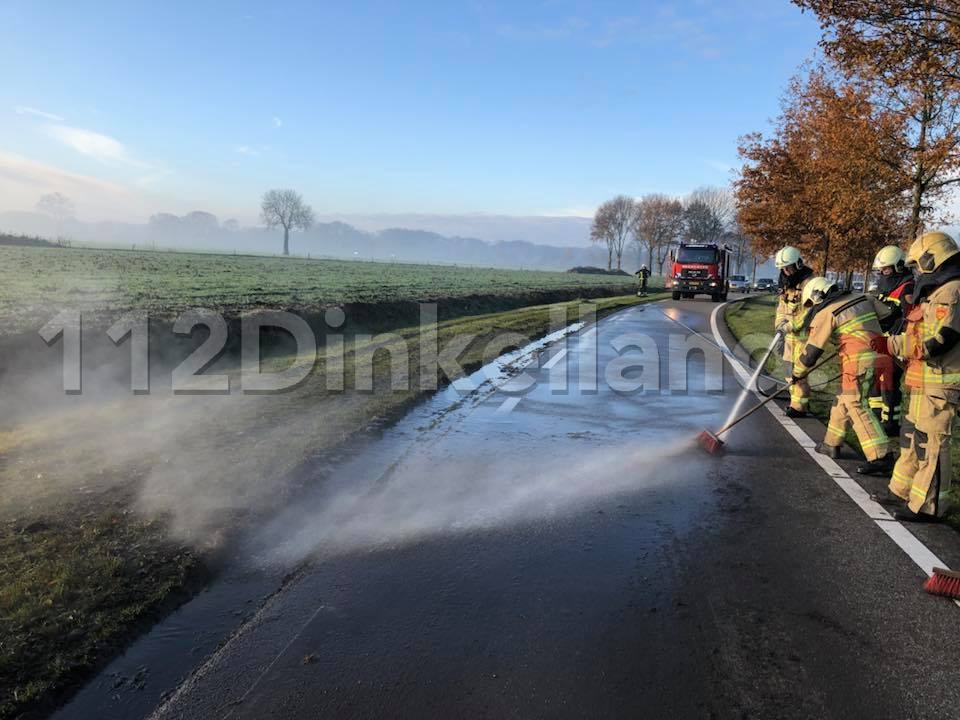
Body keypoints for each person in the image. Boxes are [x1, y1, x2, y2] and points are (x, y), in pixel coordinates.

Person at [871, 231, 960, 522]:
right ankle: (903, 490)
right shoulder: (937, 291)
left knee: (933, 443)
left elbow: (939, 341)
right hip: (923, 379)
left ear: (933, 257)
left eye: (919, 262)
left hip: (942, 380)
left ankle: (929, 505)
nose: (917, 270)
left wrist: (892, 344)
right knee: (912, 437)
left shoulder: (952, 291)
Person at [792, 276, 894, 474]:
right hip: (880, 355)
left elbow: (812, 352)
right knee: (843, 398)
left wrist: (798, 373)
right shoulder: (862, 297)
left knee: (856, 404)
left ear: (817, 296)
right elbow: (889, 316)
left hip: (858, 362)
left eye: (812, 303)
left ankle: (881, 455)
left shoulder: (828, 312)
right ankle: (832, 443)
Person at [866, 245, 915, 439]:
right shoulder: (884, 286)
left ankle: (891, 423)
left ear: (899, 267)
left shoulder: (907, 287)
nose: (883, 273)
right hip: (881, 342)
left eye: (886, 269)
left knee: (889, 383)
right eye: (881, 270)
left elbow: (910, 317)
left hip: (896, 344)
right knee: (877, 383)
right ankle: (877, 417)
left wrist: (903, 344)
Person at [774, 246, 814, 418]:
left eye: (788, 267)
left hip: (804, 337)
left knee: (799, 372)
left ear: (798, 264)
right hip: (789, 337)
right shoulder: (785, 283)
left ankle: (799, 407)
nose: (785, 271)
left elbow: (809, 312)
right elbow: (781, 308)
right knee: (788, 371)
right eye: (783, 268)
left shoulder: (808, 283)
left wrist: (790, 326)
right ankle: (795, 402)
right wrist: (780, 325)